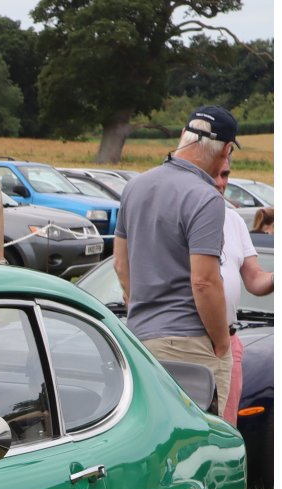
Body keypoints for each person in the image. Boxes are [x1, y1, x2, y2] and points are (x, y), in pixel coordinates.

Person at [114, 105, 238, 415]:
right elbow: (204, 281)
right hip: (192, 347)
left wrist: (140, 310)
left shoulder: (134, 187)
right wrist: (222, 344)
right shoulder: (206, 196)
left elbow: (120, 264)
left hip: (141, 342)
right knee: (203, 450)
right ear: (226, 150)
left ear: (184, 136)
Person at [214, 163, 275, 425]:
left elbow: (255, 280)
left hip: (229, 340)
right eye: (212, 173)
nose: (219, 182)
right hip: (188, 339)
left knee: (226, 431)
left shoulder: (233, 220)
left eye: (225, 174)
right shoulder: (181, 214)